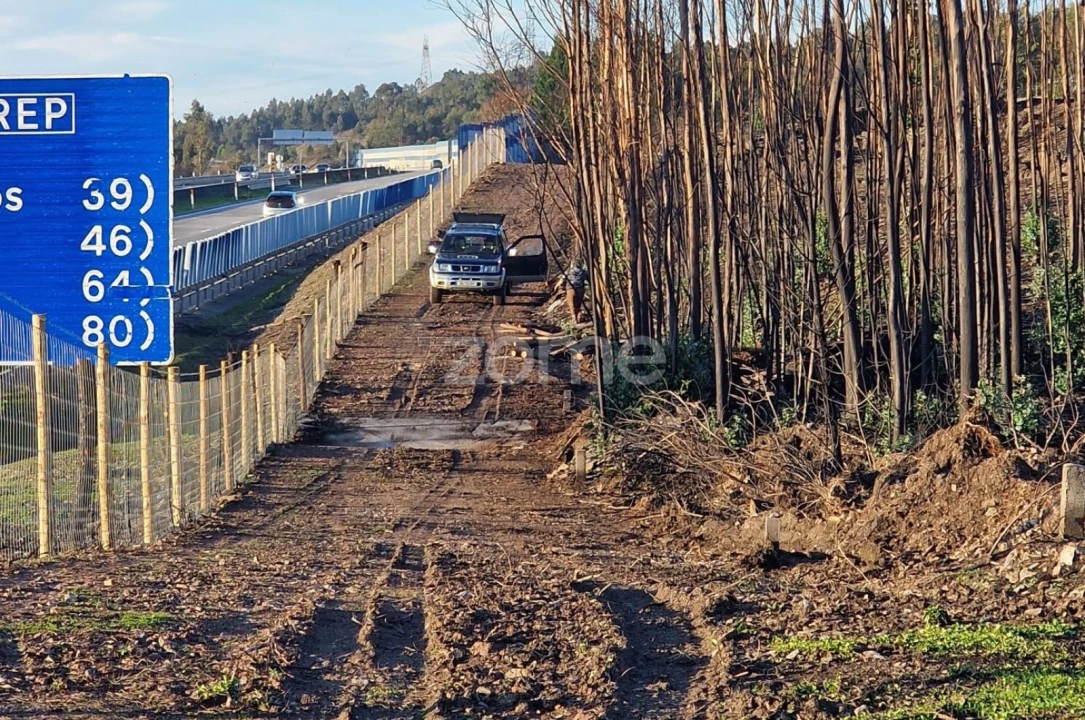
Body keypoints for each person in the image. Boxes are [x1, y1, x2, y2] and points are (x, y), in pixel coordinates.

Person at [564, 258, 588, 322]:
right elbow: (588, 279)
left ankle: (574, 318)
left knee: (571, 305)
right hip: (580, 289)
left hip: (570, 289)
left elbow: (563, 278)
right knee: (578, 304)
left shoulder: (569, 271)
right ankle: (578, 317)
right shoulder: (584, 272)